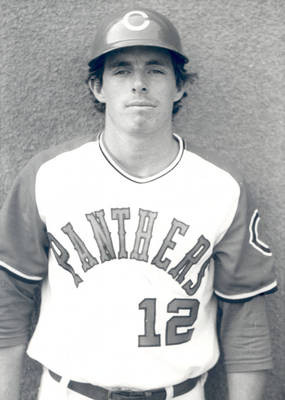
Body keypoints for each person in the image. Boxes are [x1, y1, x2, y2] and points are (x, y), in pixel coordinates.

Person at [0, 7, 277, 400]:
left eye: (156, 70)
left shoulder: (220, 186)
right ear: (98, 87)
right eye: (121, 70)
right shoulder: (50, 175)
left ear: (179, 87)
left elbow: (244, 322)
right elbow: (8, 301)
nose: (139, 84)